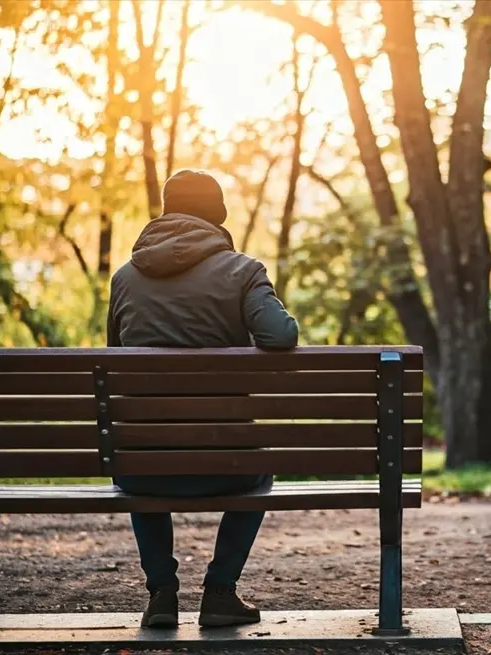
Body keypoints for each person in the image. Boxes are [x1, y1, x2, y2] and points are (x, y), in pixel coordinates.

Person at [106, 168, 299, 629]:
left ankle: (162, 594)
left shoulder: (125, 279)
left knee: (140, 460)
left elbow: (114, 357)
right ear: (218, 217)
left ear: (166, 213)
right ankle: (219, 591)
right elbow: (281, 334)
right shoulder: (242, 270)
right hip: (225, 462)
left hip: (144, 463)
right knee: (262, 468)